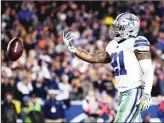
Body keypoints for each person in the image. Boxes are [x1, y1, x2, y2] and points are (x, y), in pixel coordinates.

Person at [63, 12, 154, 122]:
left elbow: (148, 70)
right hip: (121, 92)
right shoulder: (112, 45)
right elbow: (94, 58)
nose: (115, 30)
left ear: (129, 29)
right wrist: (73, 50)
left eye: (119, 27)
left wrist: (147, 94)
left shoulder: (137, 41)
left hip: (134, 90)